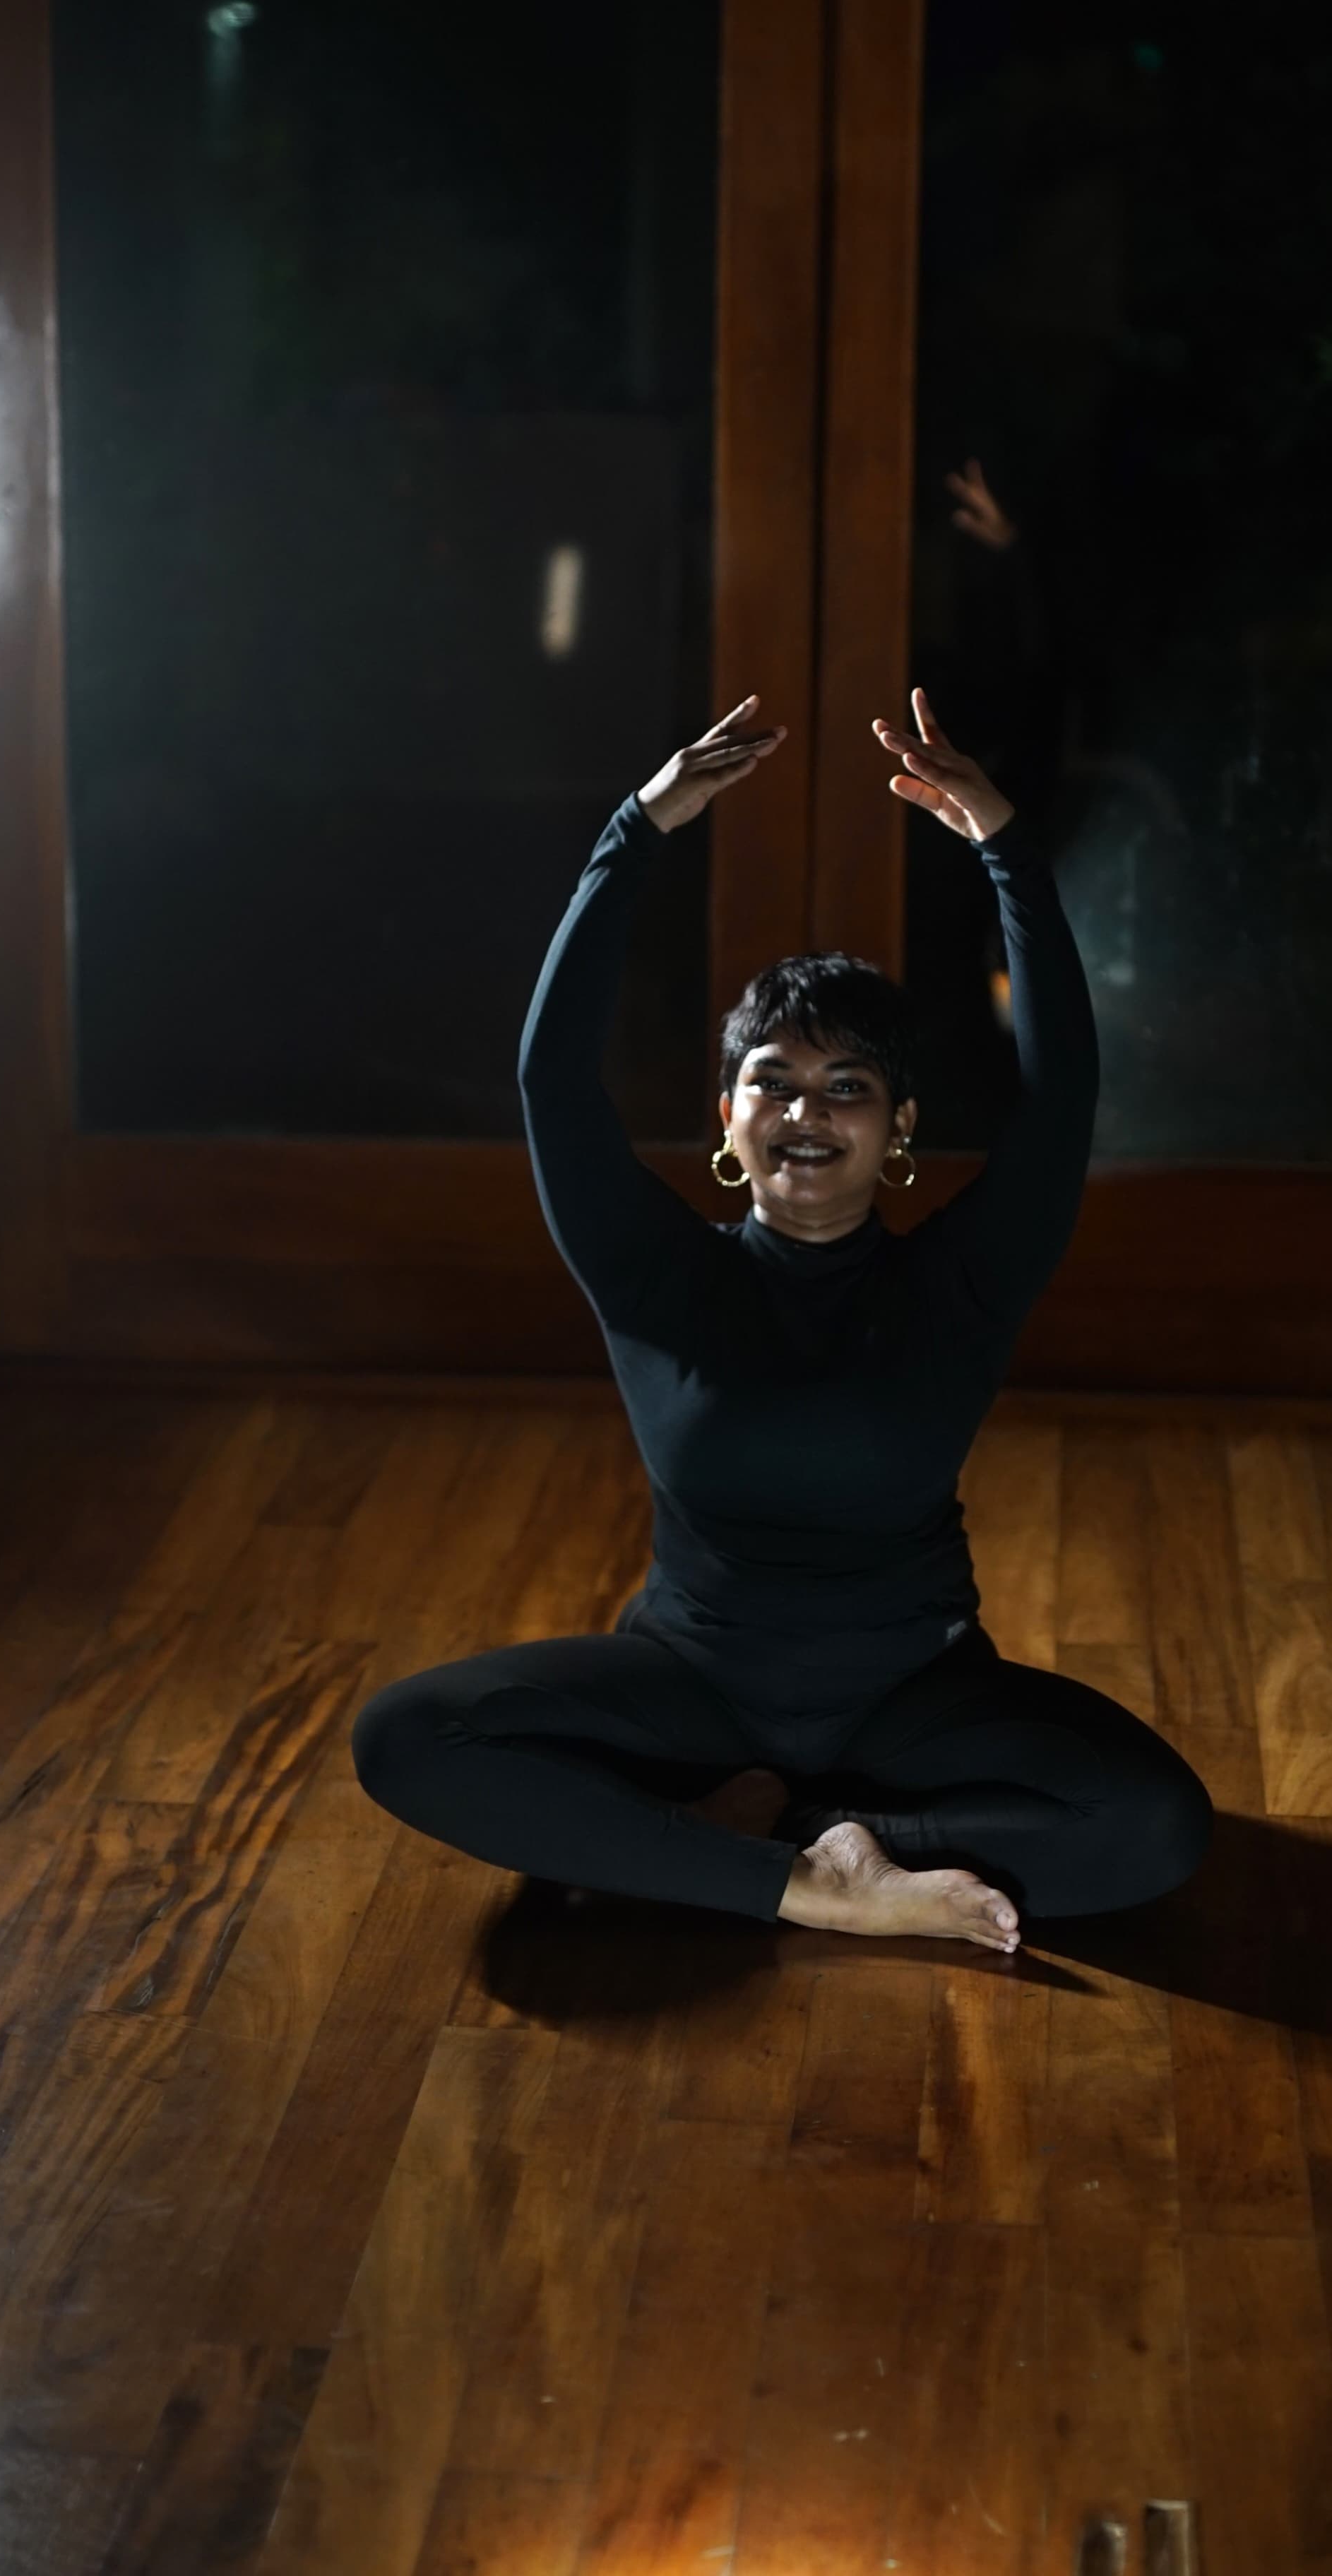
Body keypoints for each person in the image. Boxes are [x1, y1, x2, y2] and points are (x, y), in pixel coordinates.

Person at [352, 688, 1211, 1954]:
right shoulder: (654, 1275)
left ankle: (785, 1838)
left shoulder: (962, 1280)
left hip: (913, 1698)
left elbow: (1063, 1089)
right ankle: (813, 1882)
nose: (809, 1111)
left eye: (849, 1086)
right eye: (775, 1080)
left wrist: (1003, 845)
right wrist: (635, 831)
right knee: (405, 1739)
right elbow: (552, 1078)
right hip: (689, 1688)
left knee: (1158, 1828)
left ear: (899, 1132)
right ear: (727, 1120)